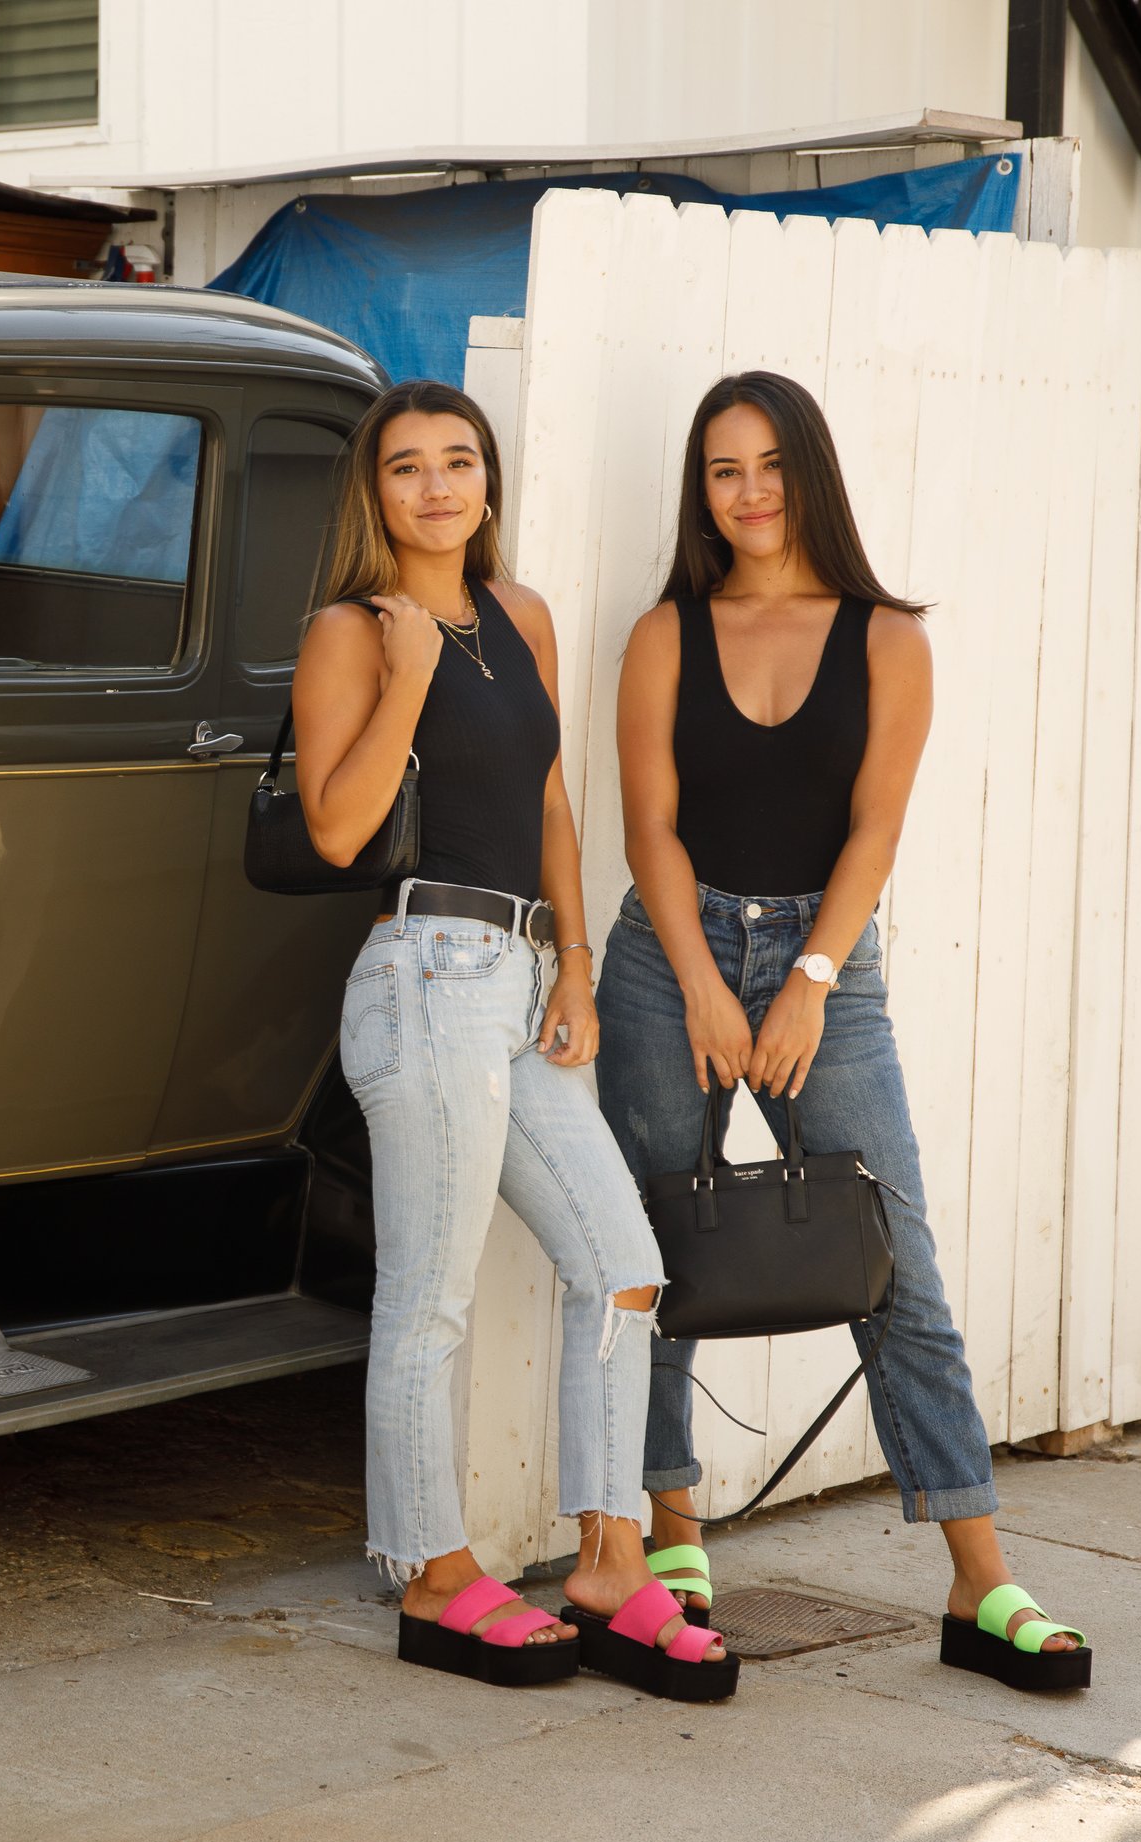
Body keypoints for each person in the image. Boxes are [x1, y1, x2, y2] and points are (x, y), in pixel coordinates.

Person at [593, 370, 1091, 1693]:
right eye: (721, 470)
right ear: (700, 491)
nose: (747, 493)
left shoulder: (886, 639)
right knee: (655, 1257)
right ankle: (675, 1538)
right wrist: (701, 979)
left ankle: (982, 1582)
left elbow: (876, 830)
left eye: (768, 465)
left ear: (808, 472)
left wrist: (807, 979)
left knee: (897, 1265)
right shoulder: (664, 634)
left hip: (826, 960)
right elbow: (649, 827)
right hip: (667, 957)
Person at [293, 380, 731, 1700]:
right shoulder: (354, 631)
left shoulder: (524, 615)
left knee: (626, 1271)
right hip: (423, 972)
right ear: (376, 497)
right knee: (430, 1298)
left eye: (459, 462)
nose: (436, 486)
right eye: (407, 468)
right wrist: (410, 676)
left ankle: (610, 1561)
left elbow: (548, 797)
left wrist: (580, 963)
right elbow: (333, 829)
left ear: (490, 479)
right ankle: (434, 1574)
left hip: (526, 976)